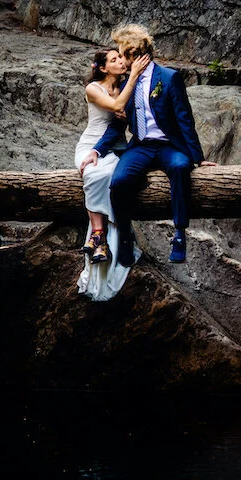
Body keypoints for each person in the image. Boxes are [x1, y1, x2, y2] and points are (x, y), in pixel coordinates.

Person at [87, 23, 216, 267]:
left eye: (122, 54)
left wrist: (198, 158)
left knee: (180, 167)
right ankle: (125, 236)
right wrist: (96, 150)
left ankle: (179, 234)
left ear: (133, 54)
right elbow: (117, 125)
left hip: (169, 146)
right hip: (141, 146)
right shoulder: (126, 85)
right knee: (119, 181)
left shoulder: (169, 78)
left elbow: (185, 119)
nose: (120, 60)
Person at [75, 49, 148, 299]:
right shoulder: (93, 89)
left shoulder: (126, 85)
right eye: (114, 59)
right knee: (96, 175)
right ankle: (98, 236)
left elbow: (128, 116)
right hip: (92, 146)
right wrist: (136, 75)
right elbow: (116, 105)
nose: (121, 61)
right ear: (103, 68)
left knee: (119, 179)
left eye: (121, 58)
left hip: (117, 147)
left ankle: (112, 243)